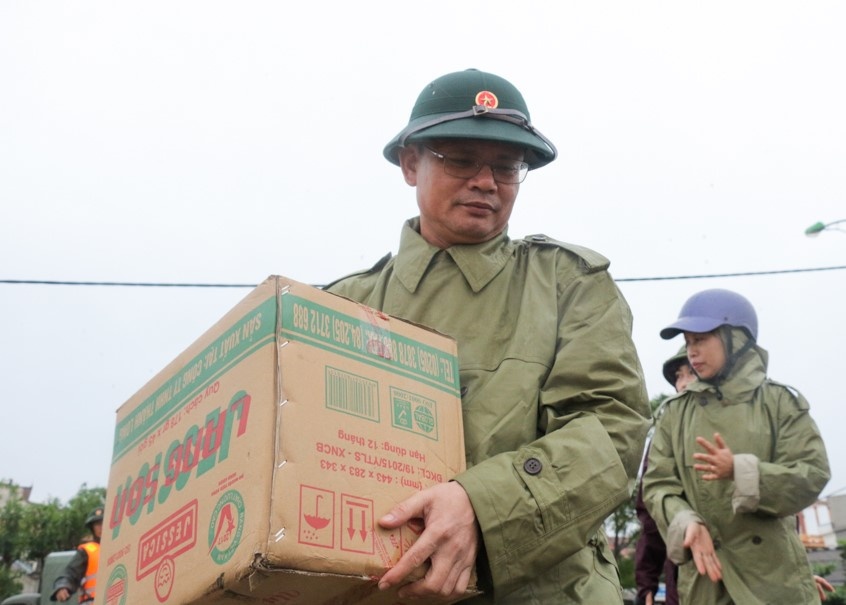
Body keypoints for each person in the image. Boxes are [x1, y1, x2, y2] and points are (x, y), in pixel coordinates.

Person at [325, 68, 651, 603]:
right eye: (460, 160)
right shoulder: (341, 306)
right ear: (411, 164)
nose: (486, 181)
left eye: (506, 166)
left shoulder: (567, 283)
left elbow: (612, 433)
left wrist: (481, 504)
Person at [643, 288, 830, 604]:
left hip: (773, 582)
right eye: (688, 342)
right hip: (704, 583)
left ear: (736, 338)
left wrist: (741, 472)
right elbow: (657, 488)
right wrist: (686, 520)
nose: (692, 352)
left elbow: (812, 474)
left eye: (700, 340)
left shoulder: (780, 403)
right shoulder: (674, 413)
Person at [634, 346, 694, 605]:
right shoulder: (664, 435)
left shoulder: (750, 420)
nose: (682, 384)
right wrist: (646, 584)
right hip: (683, 577)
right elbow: (650, 515)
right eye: (678, 376)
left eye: (690, 373)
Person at [51, 507, 102, 603]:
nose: (101, 527)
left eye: (104, 523)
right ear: (92, 528)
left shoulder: (123, 548)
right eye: (97, 524)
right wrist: (63, 585)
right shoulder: (87, 551)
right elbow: (71, 572)